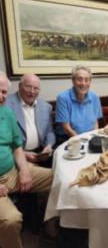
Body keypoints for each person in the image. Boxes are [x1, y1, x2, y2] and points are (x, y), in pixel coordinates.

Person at [0, 71, 53, 248]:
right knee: (11, 220)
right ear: (20, 87)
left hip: (13, 171)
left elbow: (16, 147)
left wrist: (23, 170)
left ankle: (51, 225)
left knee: (59, 179)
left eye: (4, 93)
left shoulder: (6, 113)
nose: (2, 98)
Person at [5, 74, 55, 168]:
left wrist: (48, 146)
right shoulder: (5, 104)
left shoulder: (46, 107)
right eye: (28, 87)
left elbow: (49, 132)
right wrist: (23, 154)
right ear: (19, 86)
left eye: (36, 88)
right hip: (16, 154)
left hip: (41, 153)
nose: (32, 92)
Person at [55, 65, 102, 145]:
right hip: (68, 139)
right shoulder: (63, 98)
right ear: (73, 81)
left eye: (86, 80)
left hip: (89, 138)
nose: (83, 83)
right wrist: (82, 143)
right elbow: (67, 129)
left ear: (90, 82)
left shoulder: (95, 97)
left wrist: (93, 139)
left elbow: (95, 122)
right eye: (79, 79)